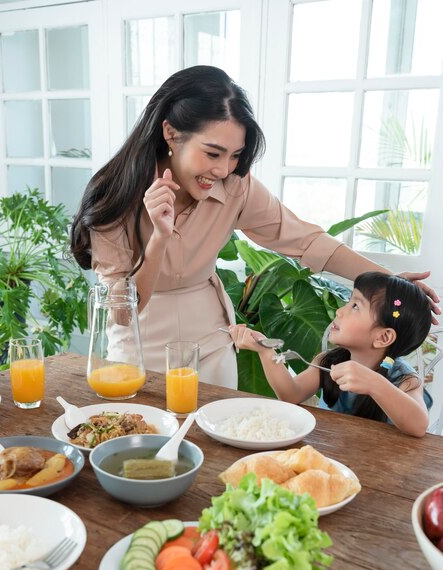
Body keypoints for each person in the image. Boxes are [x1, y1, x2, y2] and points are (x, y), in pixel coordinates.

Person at [70, 65, 439, 389]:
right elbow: (122, 311)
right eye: (213, 153)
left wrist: (390, 281)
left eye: (234, 155)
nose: (223, 169)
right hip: (138, 342)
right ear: (170, 133)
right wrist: (159, 239)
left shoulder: (235, 186)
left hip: (208, 339)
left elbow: (305, 241)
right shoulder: (114, 196)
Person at [228, 272, 433, 437]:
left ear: (383, 337)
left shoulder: (404, 379)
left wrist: (374, 384)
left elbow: (418, 426)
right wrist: (265, 351)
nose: (339, 311)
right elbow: (290, 394)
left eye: (355, 306)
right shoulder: (330, 361)